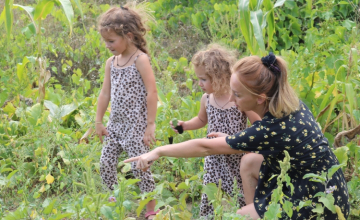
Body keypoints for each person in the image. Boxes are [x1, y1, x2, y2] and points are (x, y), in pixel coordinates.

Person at [125, 53, 350, 219]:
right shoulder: (288, 104)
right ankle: (259, 212)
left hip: (320, 199)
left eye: (238, 95)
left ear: (260, 98)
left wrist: (158, 151)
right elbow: (260, 142)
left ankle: (253, 213)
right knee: (250, 161)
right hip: (320, 179)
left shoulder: (271, 128)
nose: (232, 100)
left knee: (240, 215)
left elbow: (206, 147)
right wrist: (243, 138)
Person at [169, 44, 261, 218]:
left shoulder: (238, 99)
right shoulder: (207, 99)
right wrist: (185, 125)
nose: (199, 84)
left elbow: (259, 125)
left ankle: (247, 215)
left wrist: (239, 139)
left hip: (236, 155)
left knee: (240, 192)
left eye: (203, 79)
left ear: (218, 77)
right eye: (198, 79)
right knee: (209, 194)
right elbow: (202, 120)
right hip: (213, 156)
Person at [95, 4, 159, 219]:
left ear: (129, 36)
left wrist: (150, 125)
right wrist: (98, 122)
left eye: (111, 41)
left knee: (140, 168)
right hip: (115, 125)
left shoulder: (140, 60)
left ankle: (151, 209)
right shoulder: (111, 63)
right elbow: (105, 93)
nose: (107, 45)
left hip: (136, 127)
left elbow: (152, 92)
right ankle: (115, 199)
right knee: (105, 163)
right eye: (105, 41)